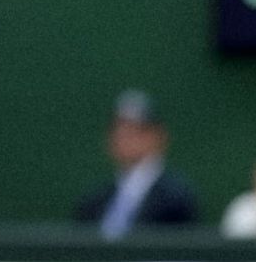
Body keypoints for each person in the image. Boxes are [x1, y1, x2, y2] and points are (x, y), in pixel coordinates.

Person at [75, 90, 199, 240]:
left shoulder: (175, 198)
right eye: (118, 129)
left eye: (135, 130)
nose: (124, 136)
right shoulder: (95, 199)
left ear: (158, 135)